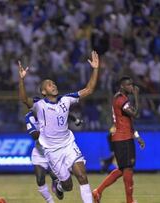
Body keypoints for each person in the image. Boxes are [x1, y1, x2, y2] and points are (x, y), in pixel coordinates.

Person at [18, 50, 100, 203]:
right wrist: (21, 79)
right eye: (49, 85)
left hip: (68, 144)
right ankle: (59, 186)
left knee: (82, 176)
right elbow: (23, 98)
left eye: (53, 83)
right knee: (68, 185)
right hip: (51, 151)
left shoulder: (67, 99)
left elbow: (89, 89)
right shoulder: (39, 105)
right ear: (44, 91)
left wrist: (95, 69)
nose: (53, 85)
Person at [92, 76, 146, 203]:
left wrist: (137, 136)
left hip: (123, 136)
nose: (132, 87)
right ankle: (130, 200)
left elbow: (128, 122)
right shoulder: (121, 100)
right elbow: (136, 114)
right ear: (122, 86)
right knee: (128, 170)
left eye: (132, 85)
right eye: (129, 85)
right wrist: (137, 95)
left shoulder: (121, 98)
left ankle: (97, 192)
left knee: (122, 170)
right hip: (123, 139)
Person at [25, 110, 83, 203]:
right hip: (39, 153)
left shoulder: (48, 110)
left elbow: (65, 113)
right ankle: (50, 201)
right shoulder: (29, 116)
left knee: (66, 186)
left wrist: (75, 120)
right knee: (40, 180)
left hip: (54, 152)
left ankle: (58, 185)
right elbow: (34, 135)